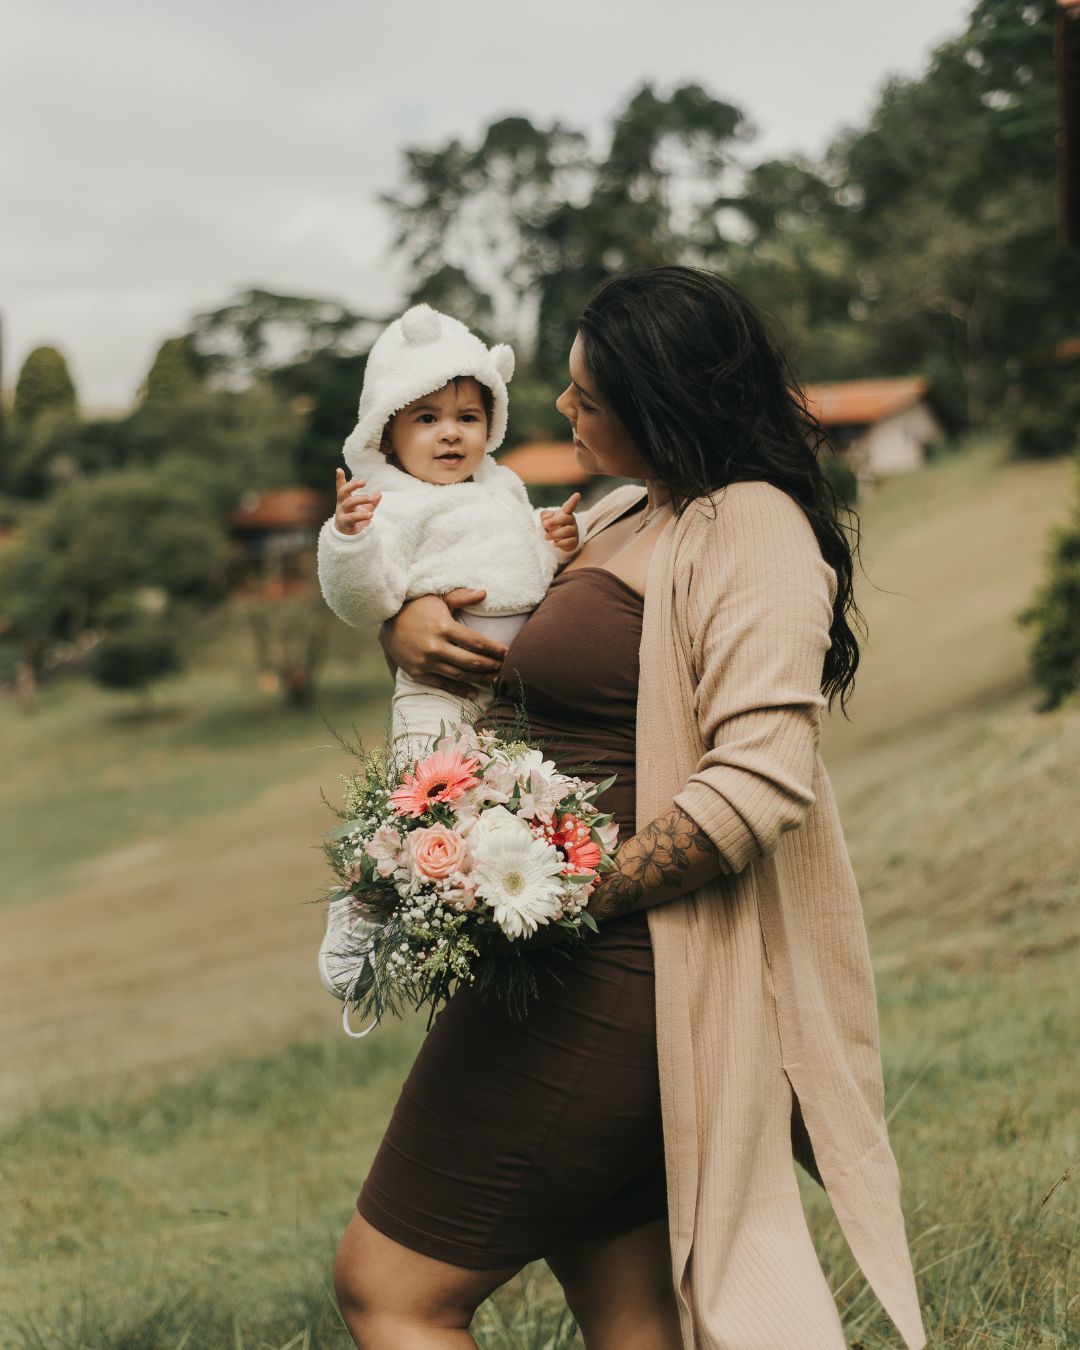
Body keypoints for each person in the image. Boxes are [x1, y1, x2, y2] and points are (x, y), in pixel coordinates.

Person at [321, 266, 927, 1349]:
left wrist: (558, 897)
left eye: (588, 399)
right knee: (630, 1310)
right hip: (572, 958)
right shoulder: (623, 513)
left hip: (614, 969)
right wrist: (402, 625)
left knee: (390, 1292)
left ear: (664, 402)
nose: (561, 412)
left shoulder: (754, 529)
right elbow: (511, 644)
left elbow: (759, 780)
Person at [315, 302, 581, 1002]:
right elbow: (362, 599)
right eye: (425, 418)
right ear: (387, 431)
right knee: (421, 809)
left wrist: (551, 547)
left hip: (510, 695)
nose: (450, 434)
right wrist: (348, 540)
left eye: (467, 416)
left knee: (496, 817)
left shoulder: (505, 487)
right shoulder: (389, 504)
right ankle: (363, 904)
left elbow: (525, 577)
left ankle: (471, 931)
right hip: (436, 691)